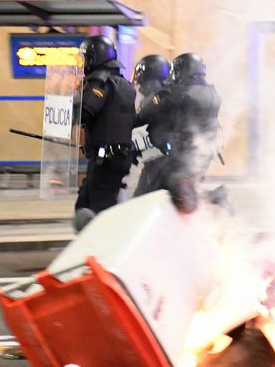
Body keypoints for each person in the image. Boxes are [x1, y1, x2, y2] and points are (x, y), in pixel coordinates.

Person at [135, 52, 222, 211]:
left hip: (178, 156)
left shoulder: (180, 94)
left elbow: (146, 113)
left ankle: (214, 198)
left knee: (153, 194)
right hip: (199, 154)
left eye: (175, 72)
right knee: (183, 192)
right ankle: (215, 198)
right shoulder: (210, 93)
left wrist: (162, 92)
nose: (172, 76)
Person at [73, 34, 135, 232]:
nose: (84, 63)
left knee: (97, 210)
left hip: (105, 159)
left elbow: (85, 112)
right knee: (86, 204)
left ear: (95, 58)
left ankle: (101, 255)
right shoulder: (124, 84)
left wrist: (73, 100)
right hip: (117, 156)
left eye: (86, 58)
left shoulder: (99, 82)